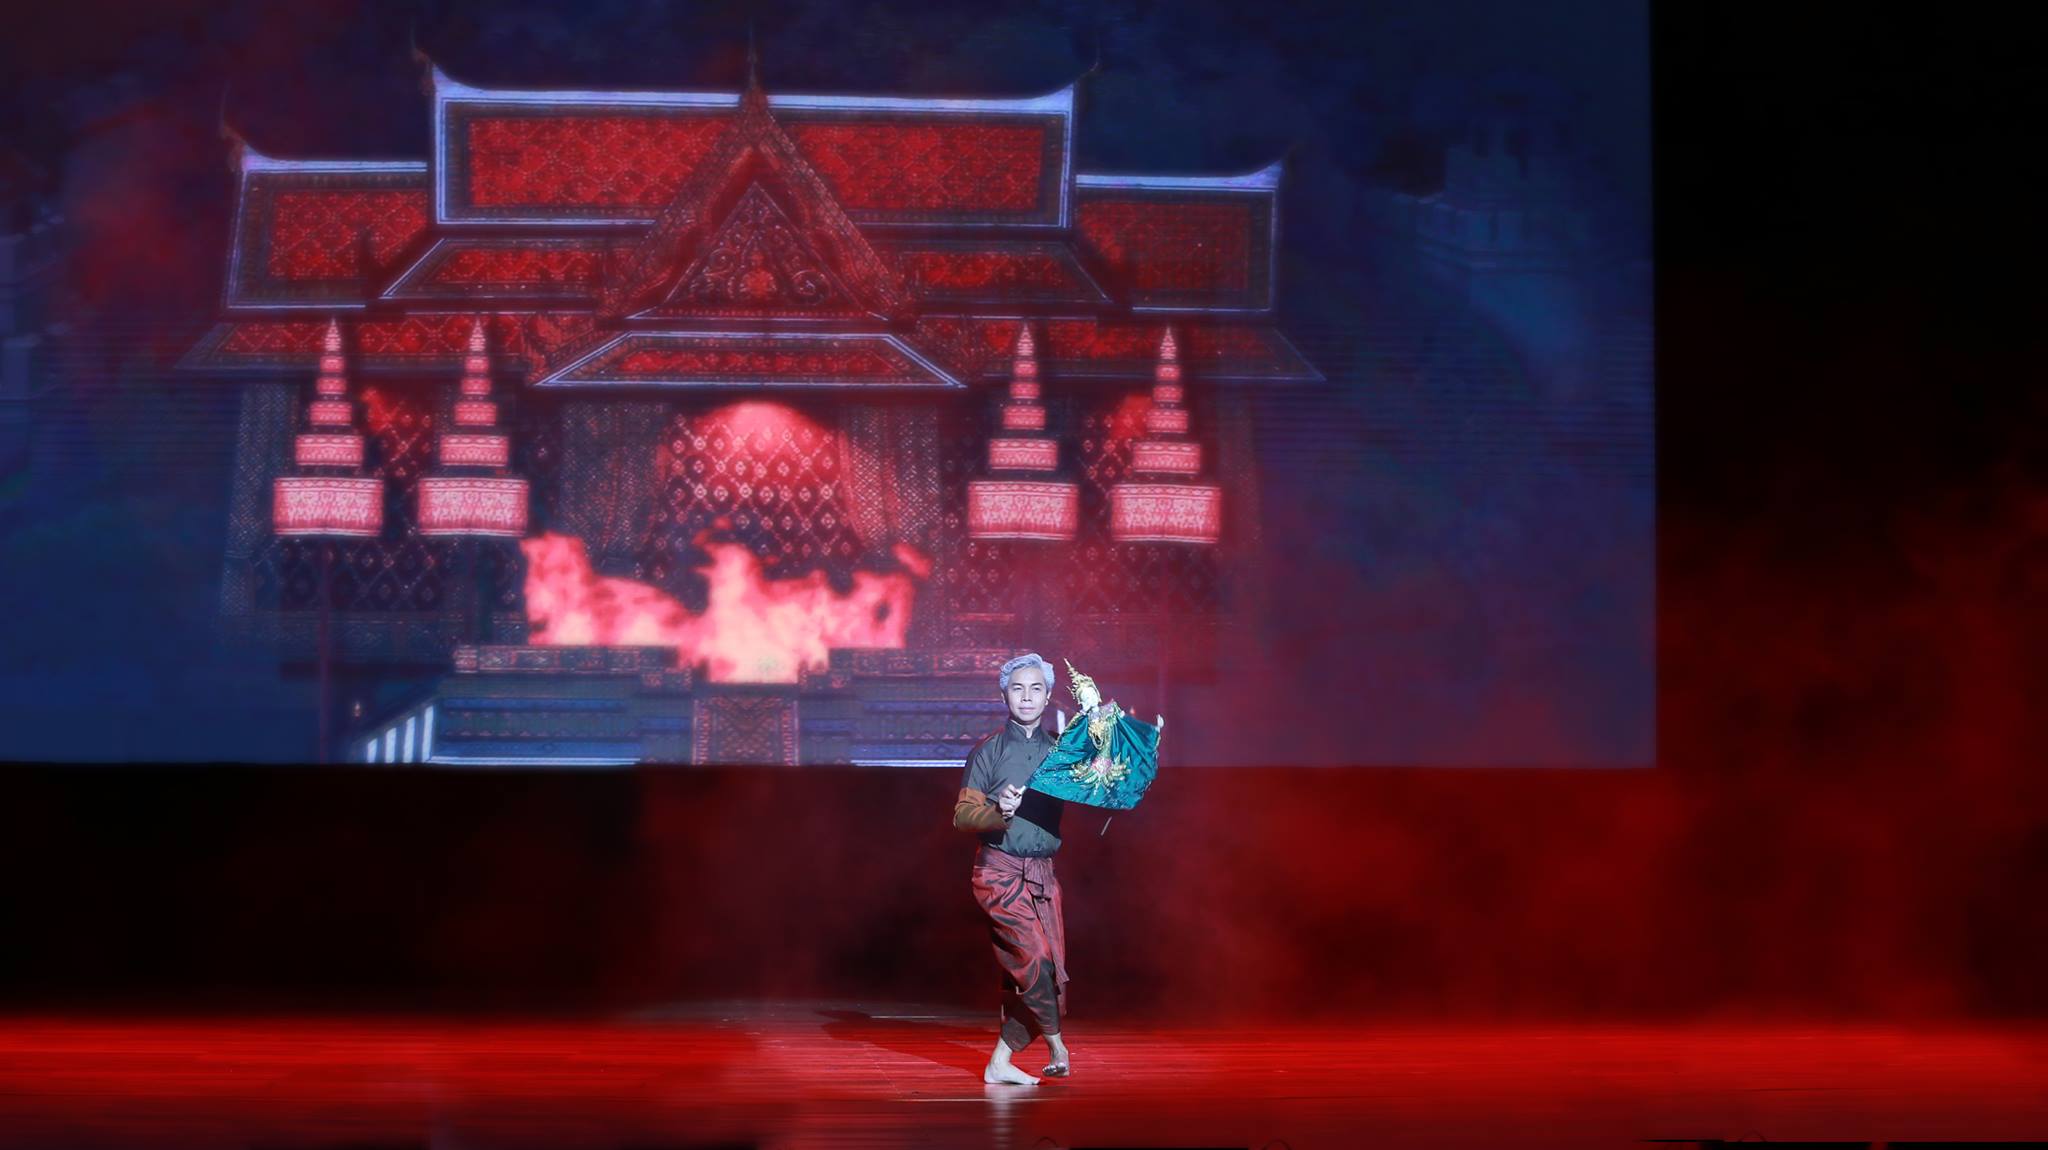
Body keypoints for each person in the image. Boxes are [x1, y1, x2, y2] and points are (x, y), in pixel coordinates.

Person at [954, 652, 1071, 1085]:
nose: (1026, 697)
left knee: (1052, 978)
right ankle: (1058, 1047)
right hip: (999, 874)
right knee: (1035, 961)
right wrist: (998, 809)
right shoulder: (989, 750)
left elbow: (1098, 787)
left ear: (1047, 696)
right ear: (1004, 695)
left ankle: (1000, 1061)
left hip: (1042, 876)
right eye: (1017, 689)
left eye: (1035, 688)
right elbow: (962, 816)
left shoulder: (1061, 753)